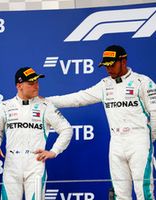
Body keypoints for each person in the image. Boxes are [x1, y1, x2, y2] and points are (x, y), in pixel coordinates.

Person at [47, 45, 156, 199]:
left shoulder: (143, 82)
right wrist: (46, 101)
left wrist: (149, 138)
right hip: (116, 142)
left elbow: (155, 112)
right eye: (106, 65)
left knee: (144, 192)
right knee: (120, 193)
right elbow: (78, 98)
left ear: (123, 61)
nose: (108, 69)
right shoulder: (105, 84)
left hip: (139, 140)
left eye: (112, 64)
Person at [0, 67, 73, 200]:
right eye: (31, 83)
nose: (36, 86)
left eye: (37, 82)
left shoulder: (45, 106)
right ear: (19, 85)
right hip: (12, 163)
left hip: (35, 163)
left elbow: (66, 129)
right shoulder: (5, 106)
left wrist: (54, 151)